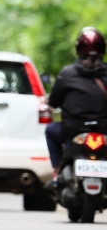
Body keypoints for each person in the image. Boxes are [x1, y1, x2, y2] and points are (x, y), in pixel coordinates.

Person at [46, 27, 107, 182]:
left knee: (51, 130)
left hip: (73, 131)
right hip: (104, 130)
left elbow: (53, 102)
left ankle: (57, 170)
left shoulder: (67, 73)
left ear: (79, 47)